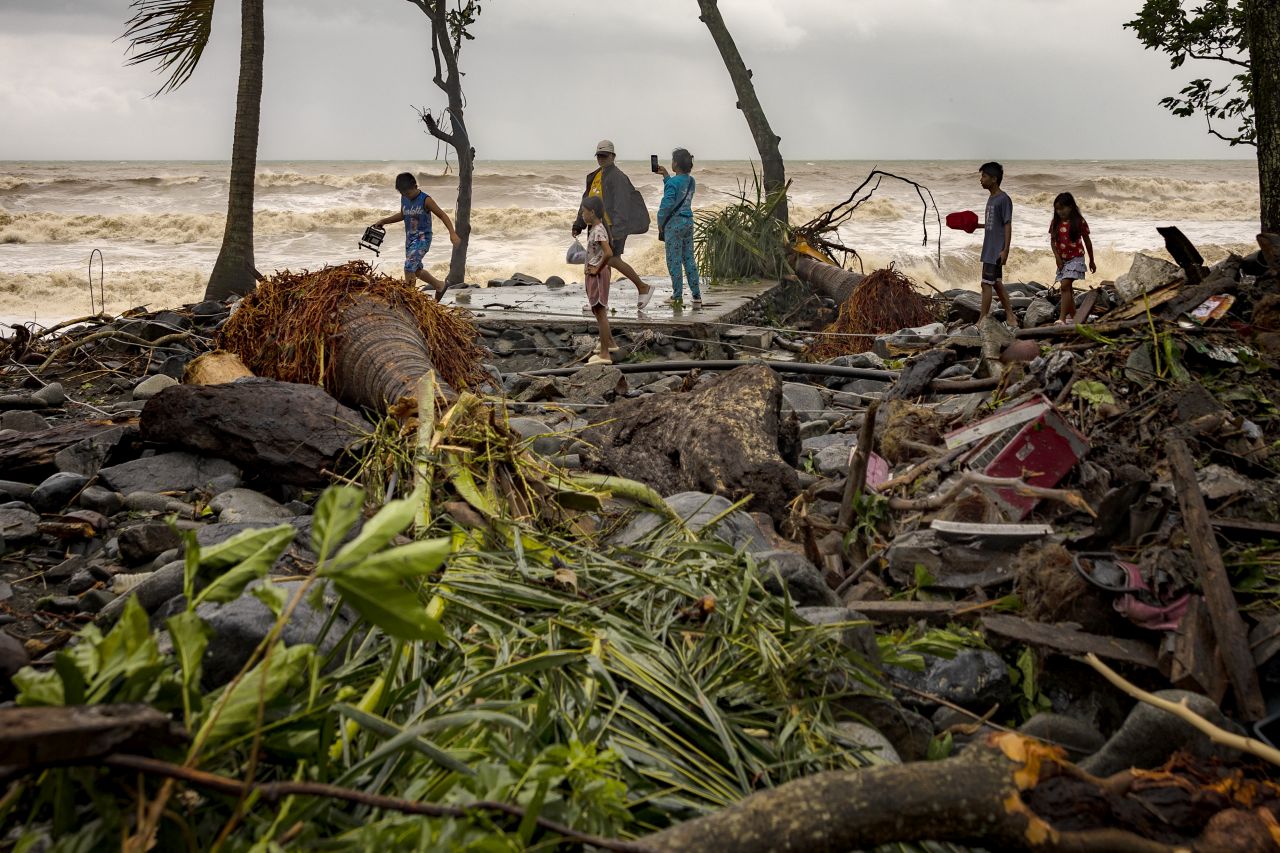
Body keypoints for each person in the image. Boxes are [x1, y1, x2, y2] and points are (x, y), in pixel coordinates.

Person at [572, 140, 656, 310]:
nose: (601, 159)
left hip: (613, 228)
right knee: (601, 264)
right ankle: (600, 301)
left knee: (611, 260)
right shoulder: (594, 176)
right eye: (599, 156)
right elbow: (586, 203)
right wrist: (578, 224)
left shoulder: (618, 177)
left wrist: (618, 230)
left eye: (604, 156)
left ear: (613, 156)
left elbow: (621, 205)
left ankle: (643, 287)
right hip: (597, 227)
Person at [370, 172, 460, 301]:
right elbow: (402, 215)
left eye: (408, 193)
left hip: (423, 239)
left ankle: (409, 298)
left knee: (409, 266)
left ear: (415, 186)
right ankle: (439, 285)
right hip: (410, 239)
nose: (406, 196)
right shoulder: (404, 198)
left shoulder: (426, 200)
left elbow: (442, 215)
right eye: (403, 194)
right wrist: (384, 221)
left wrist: (452, 233)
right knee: (416, 269)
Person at [655, 148, 701, 307]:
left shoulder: (673, 183)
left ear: (675, 163)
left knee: (674, 260)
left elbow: (666, 205)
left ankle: (677, 295)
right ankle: (696, 295)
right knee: (689, 259)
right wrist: (666, 176)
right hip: (688, 222)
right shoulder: (691, 181)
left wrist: (660, 222)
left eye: (672, 160)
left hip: (674, 225)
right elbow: (678, 190)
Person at [975, 162, 1018, 328]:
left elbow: (1007, 224)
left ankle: (982, 319)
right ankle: (1011, 316)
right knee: (997, 284)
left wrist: (1005, 250)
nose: (981, 179)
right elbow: (992, 224)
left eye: (984, 176)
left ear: (994, 179)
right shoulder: (991, 198)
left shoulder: (1003, 199)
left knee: (986, 284)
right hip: (989, 248)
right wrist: (976, 226)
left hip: (995, 250)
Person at [1049, 192, 1096, 325]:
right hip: (1063, 261)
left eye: (1062, 208)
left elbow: (1087, 242)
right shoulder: (1055, 222)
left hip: (1076, 258)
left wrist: (1092, 260)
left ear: (1071, 207)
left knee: (1064, 285)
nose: (1060, 212)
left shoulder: (1079, 221)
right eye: (1057, 209)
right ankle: (1076, 317)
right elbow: (1052, 242)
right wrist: (1057, 258)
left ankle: (1062, 318)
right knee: (1067, 288)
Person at [580, 197, 616, 364]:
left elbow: (608, 253)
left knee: (600, 313)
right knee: (597, 310)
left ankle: (604, 354)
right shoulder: (595, 229)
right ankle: (610, 343)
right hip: (594, 274)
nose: (582, 214)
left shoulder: (598, 230)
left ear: (592, 212)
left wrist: (597, 269)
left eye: (584, 211)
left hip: (597, 276)